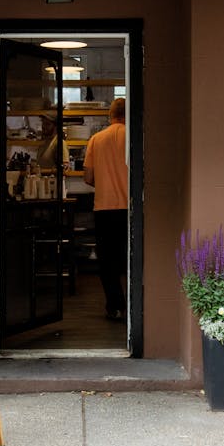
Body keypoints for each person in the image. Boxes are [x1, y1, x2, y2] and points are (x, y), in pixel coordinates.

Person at [83, 97, 127, 321]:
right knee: (130, 258)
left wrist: (104, 182)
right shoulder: (133, 138)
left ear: (110, 116)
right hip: (130, 209)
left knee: (107, 261)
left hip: (104, 208)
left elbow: (88, 177)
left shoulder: (96, 139)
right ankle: (134, 305)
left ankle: (115, 305)